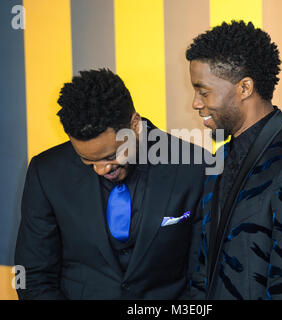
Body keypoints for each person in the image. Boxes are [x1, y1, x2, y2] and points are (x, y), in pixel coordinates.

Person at [15, 68, 206, 299]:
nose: (102, 169)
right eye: (87, 159)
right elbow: (35, 276)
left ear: (134, 124)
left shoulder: (195, 167)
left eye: (112, 155)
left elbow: (203, 279)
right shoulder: (47, 172)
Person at [186, 21, 282, 300]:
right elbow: (203, 267)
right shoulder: (219, 159)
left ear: (245, 88)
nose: (195, 103)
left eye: (203, 91)